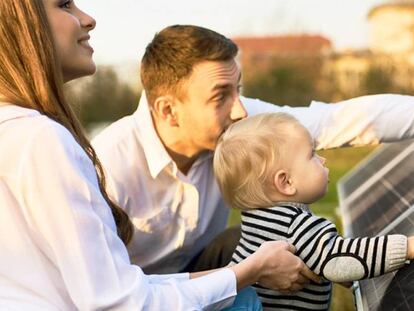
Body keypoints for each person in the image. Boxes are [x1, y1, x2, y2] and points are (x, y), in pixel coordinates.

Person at [0, 1, 319, 310]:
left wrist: (246, 271)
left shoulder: (17, 131)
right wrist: (249, 273)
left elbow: (111, 291)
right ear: (23, 26)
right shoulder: (43, 140)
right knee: (247, 300)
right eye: (65, 4)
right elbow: (121, 303)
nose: (88, 19)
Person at [92, 24, 414, 275]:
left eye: (239, 89)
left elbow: (334, 122)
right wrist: (246, 273)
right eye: (221, 96)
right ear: (168, 111)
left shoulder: (237, 127)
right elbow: (106, 292)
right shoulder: (108, 169)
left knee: (277, 242)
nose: (240, 111)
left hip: (209, 273)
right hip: (142, 296)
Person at [213, 112, 414, 310]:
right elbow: (339, 257)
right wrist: (406, 247)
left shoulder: (257, 221)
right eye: (312, 154)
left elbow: (321, 258)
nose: (323, 160)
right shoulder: (297, 225)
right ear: (286, 182)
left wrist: (327, 264)